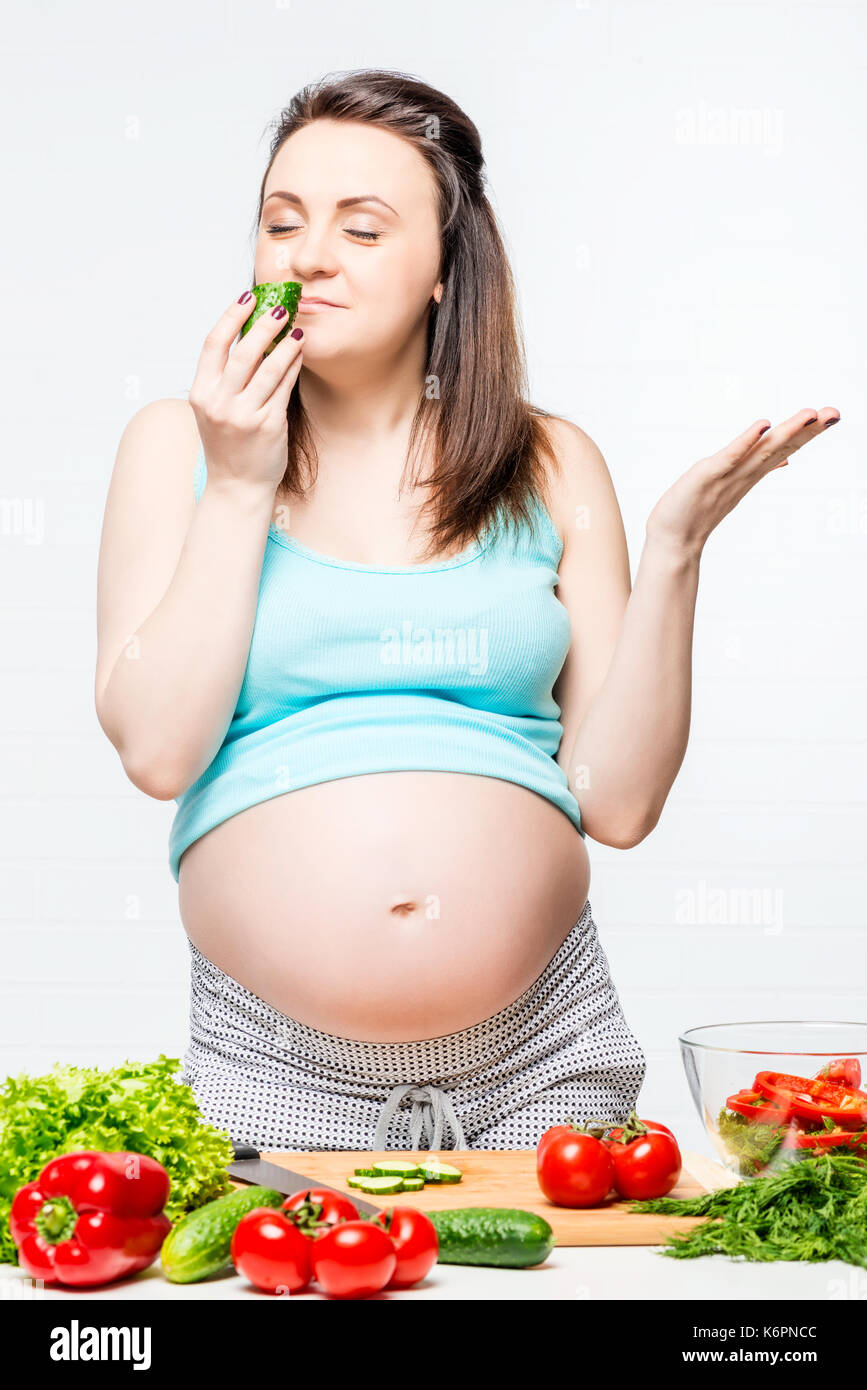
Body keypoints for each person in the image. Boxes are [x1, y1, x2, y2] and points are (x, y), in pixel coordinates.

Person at [94, 69, 839, 1152]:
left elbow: (620, 805)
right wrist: (243, 481)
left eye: (361, 226)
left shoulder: (550, 463)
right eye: (282, 222)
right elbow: (161, 753)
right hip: (272, 1066)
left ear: (448, 267)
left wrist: (676, 549)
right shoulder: (178, 448)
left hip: (545, 1061)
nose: (306, 256)